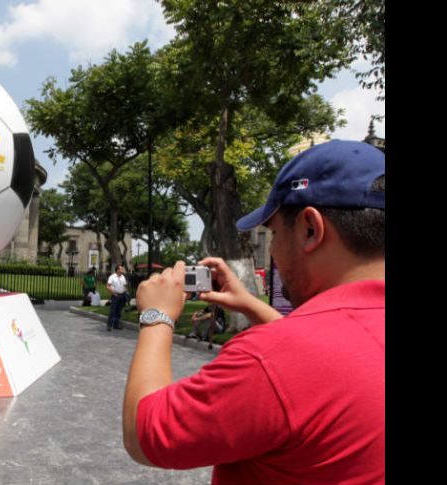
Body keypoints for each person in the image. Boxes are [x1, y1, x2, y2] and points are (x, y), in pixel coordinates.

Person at [122, 140, 384, 484]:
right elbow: (341, 355)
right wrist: (251, 304)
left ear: (310, 228)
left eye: (273, 233)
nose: (272, 248)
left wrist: (157, 317)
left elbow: (145, 434)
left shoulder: (270, 358)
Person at [106, 264, 128, 331]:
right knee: (113, 310)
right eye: (121, 269)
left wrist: (126, 292)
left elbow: (124, 286)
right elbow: (108, 286)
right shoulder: (112, 277)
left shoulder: (123, 277)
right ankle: (109, 325)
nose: (122, 270)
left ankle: (116, 324)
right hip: (115, 295)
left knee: (119, 311)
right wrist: (113, 293)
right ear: (117, 270)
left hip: (122, 295)